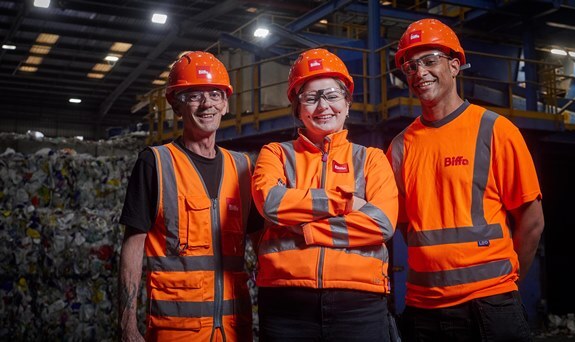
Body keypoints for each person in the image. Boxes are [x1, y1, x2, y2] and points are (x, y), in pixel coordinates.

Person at [386, 19, 545, 341]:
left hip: (490, 304)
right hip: (423, 306)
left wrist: (507, 284)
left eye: (430, 61)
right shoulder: (400, 146)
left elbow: (531, 221)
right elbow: (404, 224)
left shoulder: (495, 130)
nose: (420, 73)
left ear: (455, 65)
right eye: (411, 66)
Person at [251, 48, 399, 341]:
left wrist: (306, 230)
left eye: (331, 95)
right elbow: (271, 203)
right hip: (286, 307)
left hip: (360, 305)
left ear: (346, 103)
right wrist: (344, 201)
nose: (323, 106)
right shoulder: (276, 154)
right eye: (311, 97)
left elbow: (381, 223)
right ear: (298, 108)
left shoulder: (371, 159)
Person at [118, 51, 255, 342]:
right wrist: (127, 326)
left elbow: (265, 247)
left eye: (215, 95)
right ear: (176, 106)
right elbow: (132, 247)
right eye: (194, 96)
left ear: (226, 103)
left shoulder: (243, 168)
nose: (207, 104)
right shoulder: (155, 163)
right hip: (175, 332)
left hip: (235, 330)